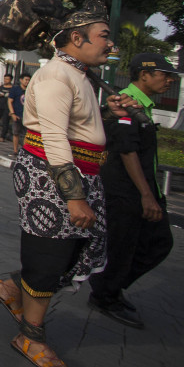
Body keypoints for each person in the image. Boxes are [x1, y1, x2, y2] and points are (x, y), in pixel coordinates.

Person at [0, 0, 133, 367]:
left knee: (66, 253)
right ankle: (30, 336)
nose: (110, 42)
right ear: (77, 39)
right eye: (103, 35)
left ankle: (9, 288)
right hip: (50, 179)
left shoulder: (75, 75)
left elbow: (83, 128)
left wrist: (109, 115)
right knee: (48, 257)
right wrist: (73, 197)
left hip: (74, 175)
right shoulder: (55, 75)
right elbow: (54, 138)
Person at [87, 53, 177, 328]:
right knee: (123, 246)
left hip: (143, 190)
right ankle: (105, 294)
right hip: (125, 192)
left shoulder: (142, 104)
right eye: (164, 74)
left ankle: (109, 287)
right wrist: (146, 196)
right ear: (144, 74)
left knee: (158, 242)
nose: (169, 80)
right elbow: (127, 151)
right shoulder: (126, 102)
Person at [8, 73, 31, 153]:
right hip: (17, 114)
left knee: (26, 135)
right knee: (16, 133)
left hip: (27, 116)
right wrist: (12, 113)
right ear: (21, 80)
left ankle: (24, 150)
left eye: (29, 80)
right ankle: (15, 150)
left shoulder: (30, 90)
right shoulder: (15, 89)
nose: (27, 82)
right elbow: (10, 101)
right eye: (26, 80)